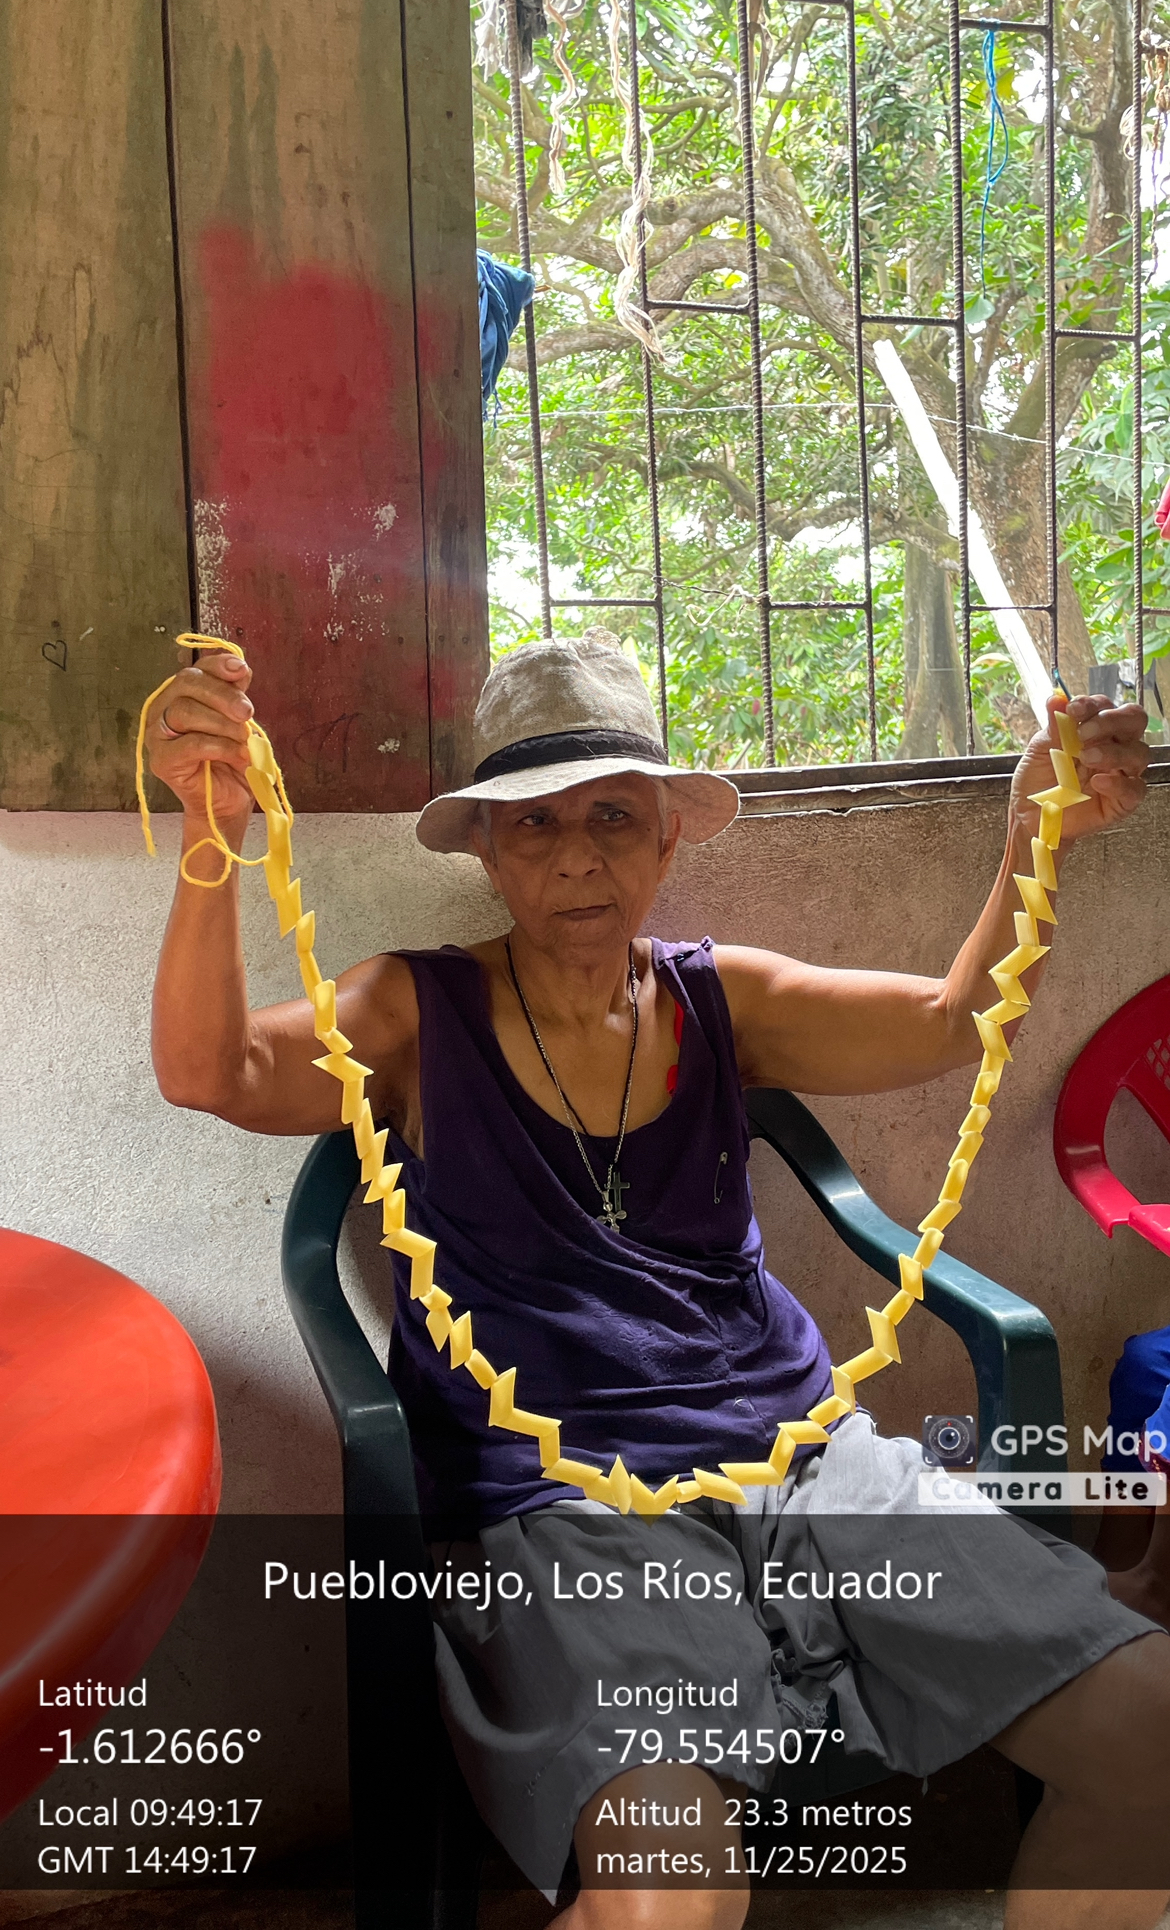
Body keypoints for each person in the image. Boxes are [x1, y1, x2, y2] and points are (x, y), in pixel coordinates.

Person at [147, 632, 1169, 1928]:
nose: (576, 855)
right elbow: (215, 1071)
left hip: (804, 1460)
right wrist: (210, 831)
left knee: (1149, 1738)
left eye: (613, 816)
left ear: (667, 838)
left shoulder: (719, 999)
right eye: (535, 823)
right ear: (485, 849)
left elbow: (951, 1022)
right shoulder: (408, 1012)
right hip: (565, 1506)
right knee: (667, 1892)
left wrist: (1034, 835)